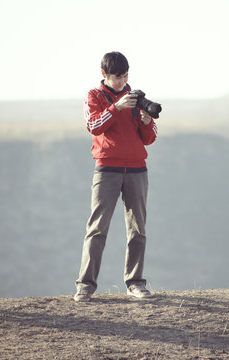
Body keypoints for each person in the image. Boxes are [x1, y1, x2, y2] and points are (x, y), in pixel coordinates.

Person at [74, 51, 158, 302]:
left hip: (137, 170)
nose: (122, 82)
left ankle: (136, 283)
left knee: (138, 229)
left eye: (125, 76)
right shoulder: (94, 96)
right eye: (117, 77)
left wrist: (146, 121)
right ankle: (85, 286)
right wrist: (116, 107)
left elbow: (150, 138)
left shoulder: (135, 99)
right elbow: (94, 125)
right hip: (107, 169)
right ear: (104, 75)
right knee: (97, 228)